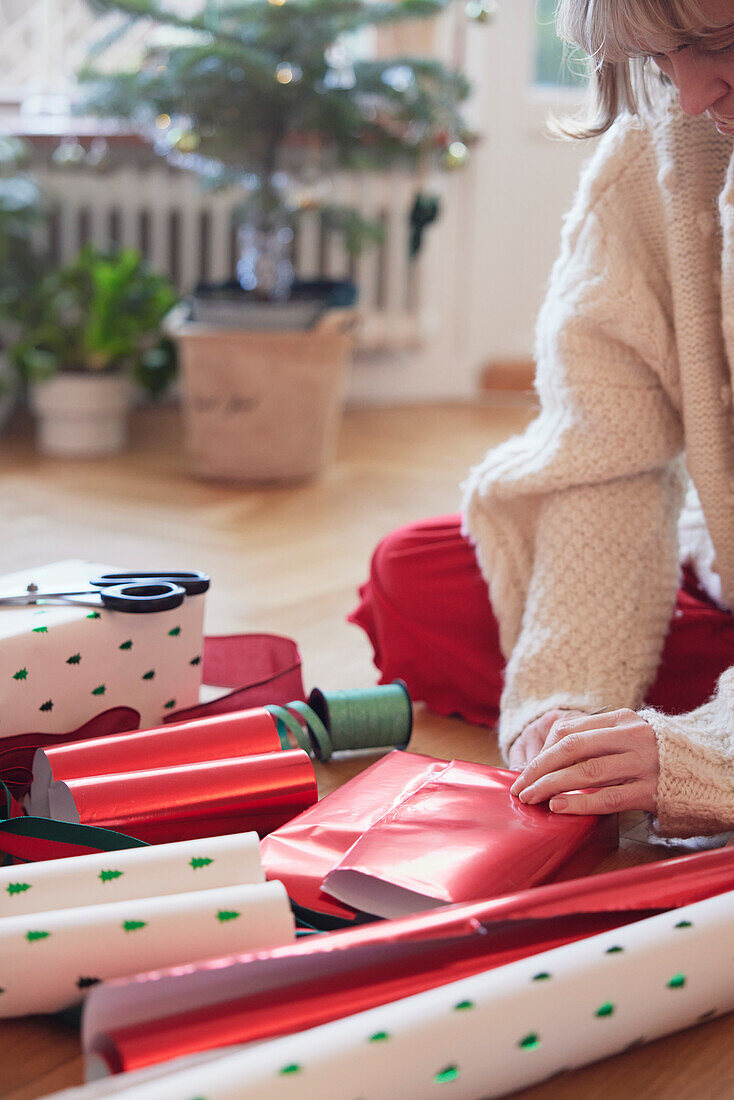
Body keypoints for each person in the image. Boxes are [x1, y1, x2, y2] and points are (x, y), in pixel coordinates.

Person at [350, 0, 734, 840]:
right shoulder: (663, 150)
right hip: (723, 565)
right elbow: (608, 456)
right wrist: (565, 702)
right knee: (411, 576)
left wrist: (713, 752)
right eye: (666, 59)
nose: (698, 94)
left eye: (720, 41)